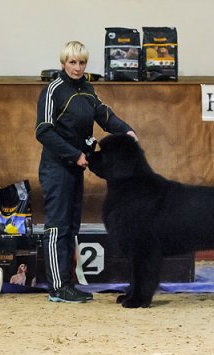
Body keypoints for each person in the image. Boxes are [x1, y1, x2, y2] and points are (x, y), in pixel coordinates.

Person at [35, 41, 138, 303]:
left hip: (76, 169)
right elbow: (43, 131)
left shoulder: (88, 90)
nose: (77, 68)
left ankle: (68, 283)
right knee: (57, 227)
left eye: (81, 63)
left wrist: (127, 131)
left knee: (71, 225)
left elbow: (104, 115)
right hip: (56, 168)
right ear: (63, 63)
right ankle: (57, 288)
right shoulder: (53, 91)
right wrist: (75, 154)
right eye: (72, 62)